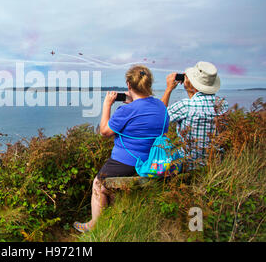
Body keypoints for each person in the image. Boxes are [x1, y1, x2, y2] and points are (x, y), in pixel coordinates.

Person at [73, 65, 168, 233]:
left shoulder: (126, 109)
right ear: (149, 84)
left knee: (98, 183)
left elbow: (104, 131)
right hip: (153, 159)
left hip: (127, 162)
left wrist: (107, 104)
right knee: (109, 188)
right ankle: (113, 218)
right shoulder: (161, 106)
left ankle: (94, 226)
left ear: (129, 85)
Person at [161, 61, 229, 169]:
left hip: (189, 165)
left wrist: (168, 89)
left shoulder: (186, 106)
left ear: (193, 84)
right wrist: (191, 89)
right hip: (215, 164)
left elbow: (159, 119)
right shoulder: (223, 105)